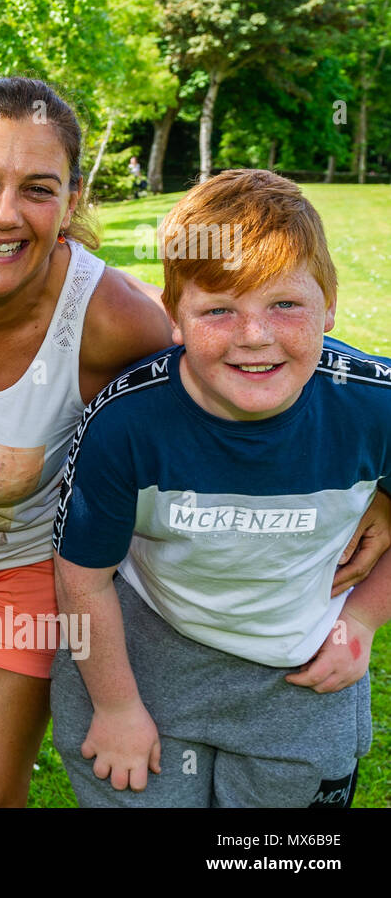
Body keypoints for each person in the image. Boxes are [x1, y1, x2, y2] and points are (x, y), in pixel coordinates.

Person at [0, 77, 388, 808]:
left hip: (20, 568)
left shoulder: (117, 322)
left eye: (37, 188)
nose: (3, 213)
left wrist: (380, 491)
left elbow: (248, 364)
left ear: (71, 202)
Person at [52, 169, 391, 807]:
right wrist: (117, 706)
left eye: (286, 304)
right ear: (173, 317)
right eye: (219, 310)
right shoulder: (124, 424)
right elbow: (81, 578)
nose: (254, 337)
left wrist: (364, 621)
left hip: (299, 676)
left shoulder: (375, 406)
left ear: (331, 304)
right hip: (144, 655)